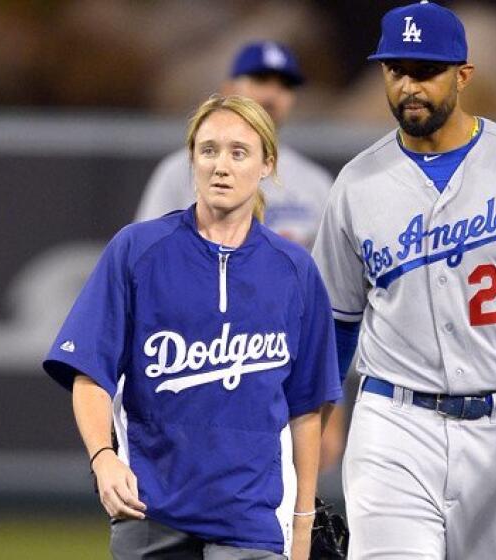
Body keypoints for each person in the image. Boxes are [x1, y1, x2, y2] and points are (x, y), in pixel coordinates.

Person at [311, 2, 496, 559]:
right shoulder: (357, 184)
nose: (409, 86)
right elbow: (335, 330)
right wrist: (307, 437)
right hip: (393, 426)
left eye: (426, 71)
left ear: (463, 75)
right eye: (396, 70)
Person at [43, 94, 342, 560]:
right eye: (208, 150)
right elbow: (89, 372)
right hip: (150, 508)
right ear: (192, 160)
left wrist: (302, 521)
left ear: (267, 164)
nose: (221, 165)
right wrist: (103, 458)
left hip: (253, 516)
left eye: (239, 152)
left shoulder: (295, 271)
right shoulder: (138, 250)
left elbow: (307, 407)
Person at [136, 41, 333, 251]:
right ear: (229, 89)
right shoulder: (181, 171)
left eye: (284, 85)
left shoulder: (314, 183)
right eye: (261, 80)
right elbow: (146, 253)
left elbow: (325, 271)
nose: (272, 95)